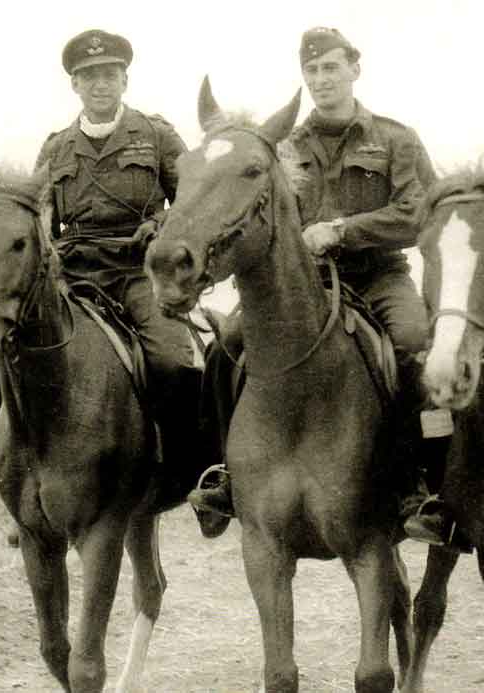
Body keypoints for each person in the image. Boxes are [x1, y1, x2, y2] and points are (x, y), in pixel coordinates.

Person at [190, 27, 451, 540]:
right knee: (228, 346)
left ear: (355, 68)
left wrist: (342, 231)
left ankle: (421, 485)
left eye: (331, 68)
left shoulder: (394, 138)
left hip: (377, 275)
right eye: (312, 70)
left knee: (415, 344)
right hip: (300, 286)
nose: (322, 79)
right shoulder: (281, 143)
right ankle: (225, 473)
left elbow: (420, 212)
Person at [0, 29, 211, 515]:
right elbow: (35, 217)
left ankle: (183, 472)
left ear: (124, 79)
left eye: (109, 75)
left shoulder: (156, 134)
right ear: (75, 86)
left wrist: (161, 225)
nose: (100, 84)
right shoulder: (57, 148)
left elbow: (192, 198)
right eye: (89, 77)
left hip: (138, 274)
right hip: (73, 278)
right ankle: (17, 471)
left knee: (173, 362)